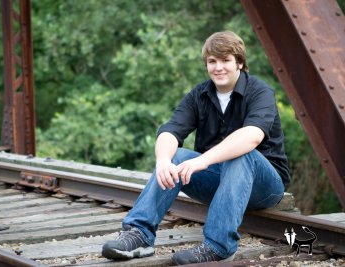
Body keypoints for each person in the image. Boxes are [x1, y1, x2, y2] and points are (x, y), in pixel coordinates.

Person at [101, 31, 290, 265]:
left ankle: (218, 246)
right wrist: (162, 161)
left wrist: (203, 160)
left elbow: (251, 137)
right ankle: (139, 234)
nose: (218, 67)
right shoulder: (199, 95)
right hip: (220, 182)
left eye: (225, 60)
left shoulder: (260, 92)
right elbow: (170, 131)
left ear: (239, 62)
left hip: (264, 187)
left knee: (243, 155)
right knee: (175, 155)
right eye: (212, 61)